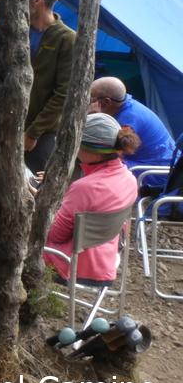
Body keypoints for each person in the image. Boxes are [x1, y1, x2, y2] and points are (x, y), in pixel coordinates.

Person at [43, 113, 140, 284]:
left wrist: (40, 202)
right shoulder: (129, 179)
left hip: (72, 265)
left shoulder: (84, 188)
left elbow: (55, 235)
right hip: (105, 261)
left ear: (90, 151)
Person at [24, 0, 76, 173]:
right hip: (12, 123)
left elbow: (64, 93)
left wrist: (33, 132)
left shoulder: (67, 39)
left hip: (44, 132)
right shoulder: (18, 32)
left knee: (35, 181)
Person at [89, 76, 174, 189]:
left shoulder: (127, 121)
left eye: (91, 99)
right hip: (164, 162)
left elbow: (103, 152)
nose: (88, 102)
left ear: (106, 102)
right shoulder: (125, 103)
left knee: (101, 164)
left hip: (156, 171)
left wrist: (93, 117)